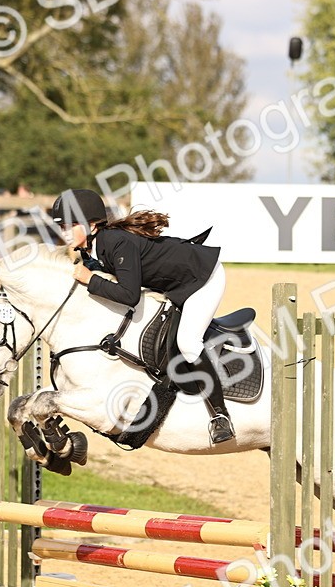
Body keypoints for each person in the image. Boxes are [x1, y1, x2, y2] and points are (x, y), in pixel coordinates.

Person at [50, 188, 235, 444]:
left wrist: (91, 280)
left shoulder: (116, 242)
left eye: (71, 226)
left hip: (202, 279)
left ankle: (220, 416)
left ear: (92, 226)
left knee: (188, 343)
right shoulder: (91, 250)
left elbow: (129, 295)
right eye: (62, 227)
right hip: (172, 284)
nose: (66, 233)